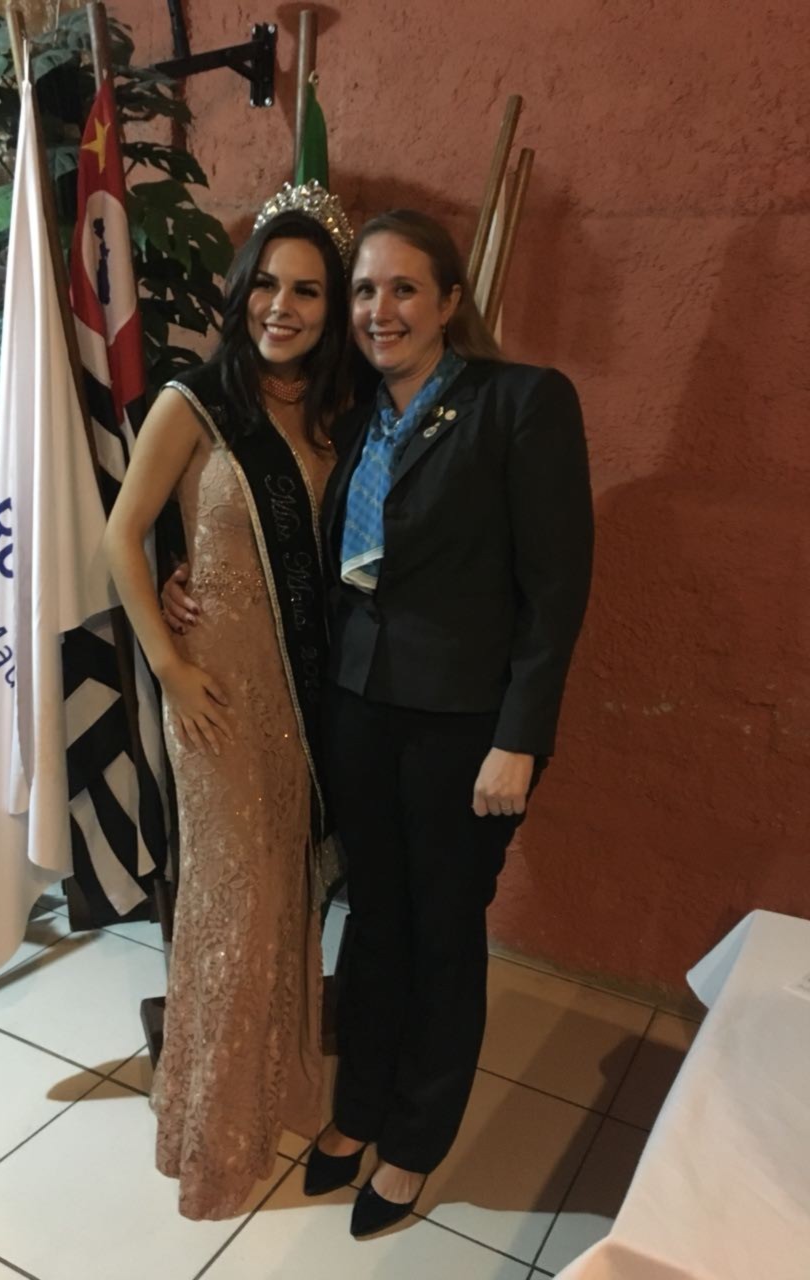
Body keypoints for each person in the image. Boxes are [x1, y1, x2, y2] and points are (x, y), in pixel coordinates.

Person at [303, 209, 594, 1236]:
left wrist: (520, 736)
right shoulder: (356, 423)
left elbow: (556, 590)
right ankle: (359, 1108)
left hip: (467, 729)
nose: (378, 309)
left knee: (442, 930)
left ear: (449, 301)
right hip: (359, 710)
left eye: (402, 288)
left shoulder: (520, 401)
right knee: (373, 918)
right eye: (364, 290)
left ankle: (415, 1141)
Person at [104, 189, 353, 1220]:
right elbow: (124, 535)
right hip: (213, 695)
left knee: (285, 898)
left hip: (304, 696)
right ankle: (210, 1131)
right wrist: (167, 663)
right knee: (229, 907)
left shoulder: (340, 411)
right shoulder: (195, 402)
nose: (282, 307)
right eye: (268, 285)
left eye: (308, 291)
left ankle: (272, 1096)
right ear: (242, 289)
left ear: (333, 306)